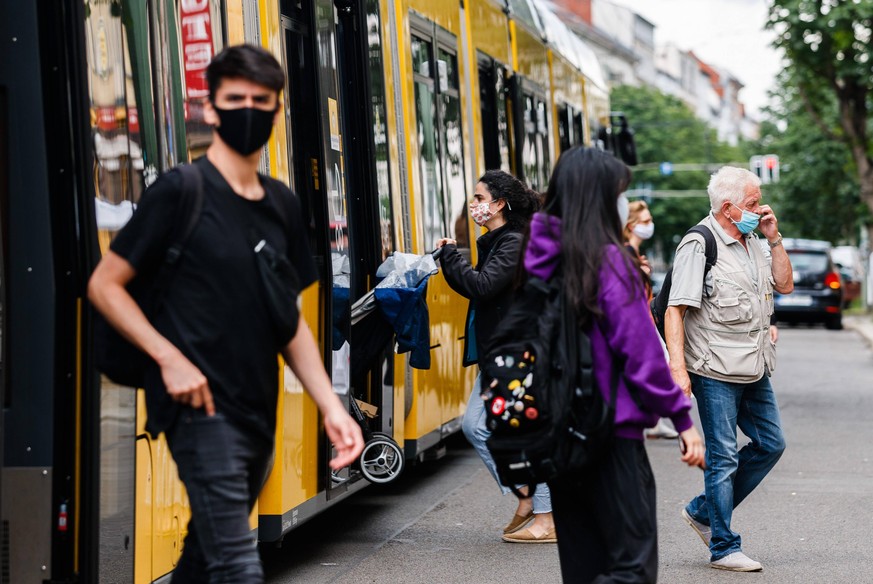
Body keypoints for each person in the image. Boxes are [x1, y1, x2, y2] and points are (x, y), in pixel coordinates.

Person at [87, 45, 364, 582]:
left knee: (205, 555)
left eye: (261, 100)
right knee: (239, 566)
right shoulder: (179, 192)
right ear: (210, 109)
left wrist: (330, 406)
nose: (248, 110)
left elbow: (290, 323)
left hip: (257, 413)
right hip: (197, 411)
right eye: (234, 99)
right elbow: (105, 285)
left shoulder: (280, 205)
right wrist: (169, 358)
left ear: (278, 109)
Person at [524, 146, 705, 583]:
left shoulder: (533, 256)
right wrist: (681, 419)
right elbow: (640, 353)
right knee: (631, 566)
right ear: (600, 197)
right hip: (610, 432)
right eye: (620, 193)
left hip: (555, 433)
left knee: (583, 565)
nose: (624, 203)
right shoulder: (607, 262)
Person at [665, 166, 792, 572]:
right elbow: (675, 308)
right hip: (714, 369)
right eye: (753, 203)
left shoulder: (755, 240)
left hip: (754, 367)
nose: (761, 208)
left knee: (771, 444)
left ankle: (703, 511)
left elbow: (784, 285)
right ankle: (723, 546)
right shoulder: (699, 245)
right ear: (728, 207)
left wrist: (774, 239)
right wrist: (678, 368)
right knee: (723, 458)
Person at [435, 170, 556, 543]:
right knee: (477, 426)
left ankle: (546, 516)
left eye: (479, 198)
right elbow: (479, 288)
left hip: (517, 352)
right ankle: (526, 497)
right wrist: (450, 258)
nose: (473, 205)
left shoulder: (514, 242)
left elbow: (483, 286)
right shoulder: (497, 240)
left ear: (500, 204)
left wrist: (450, 256)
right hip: (501, 353)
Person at [624, 201, 679, 440]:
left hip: (646, 322)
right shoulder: (625, 254)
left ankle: (653, 421)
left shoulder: (635, 255)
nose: (650, 226)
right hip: (640, 326)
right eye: (645, 222)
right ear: (630, 225)